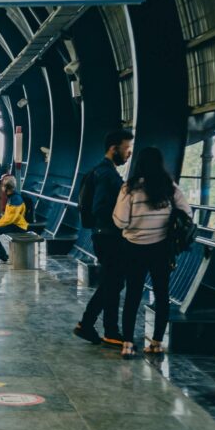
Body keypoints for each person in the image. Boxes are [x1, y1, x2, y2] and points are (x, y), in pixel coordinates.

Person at [113, 147, 192, 357]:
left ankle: (128, 344)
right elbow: (186, 213)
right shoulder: (169, 187)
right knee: (162, 293)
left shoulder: (129, 189)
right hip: (161, 248)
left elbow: (120, 221)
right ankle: (157, 343)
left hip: (133, 248)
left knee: (132, 294)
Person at [73, 129, 134, 347]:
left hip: (103, 235)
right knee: (113, 281)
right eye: (126, 148)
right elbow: (101, 206)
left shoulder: (101, 171)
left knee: (113, 282)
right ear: (113, 148)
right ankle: (95, 325)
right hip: (109, 236)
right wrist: (120, 221)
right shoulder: (107, 175)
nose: (128, 153)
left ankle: (101, 328)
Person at [0, 181, 28, 264]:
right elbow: (7, 216)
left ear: (6, 188)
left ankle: (2, 256)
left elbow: (11, 218)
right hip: (14, 224)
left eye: (2, 187)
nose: (1, 188)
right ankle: (2, 255)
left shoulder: (16, 199)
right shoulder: (11, 197)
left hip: (18, 226)